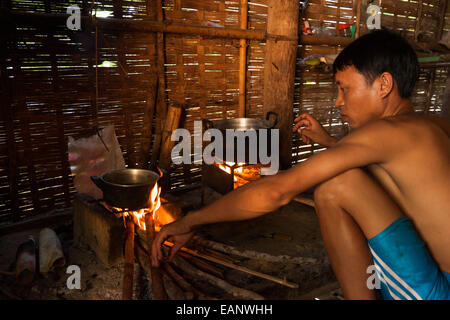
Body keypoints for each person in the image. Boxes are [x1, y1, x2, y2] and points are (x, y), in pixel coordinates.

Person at [151, 29, 450, 300]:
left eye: (344, 89)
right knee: (350, 179)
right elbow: (401, 179)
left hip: (436, 292)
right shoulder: (430, 126)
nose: (337, 101)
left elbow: (276, 192)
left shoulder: (387, 133)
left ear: (384, 84)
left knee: (335, 187)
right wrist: (332, 143)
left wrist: (190, 221)